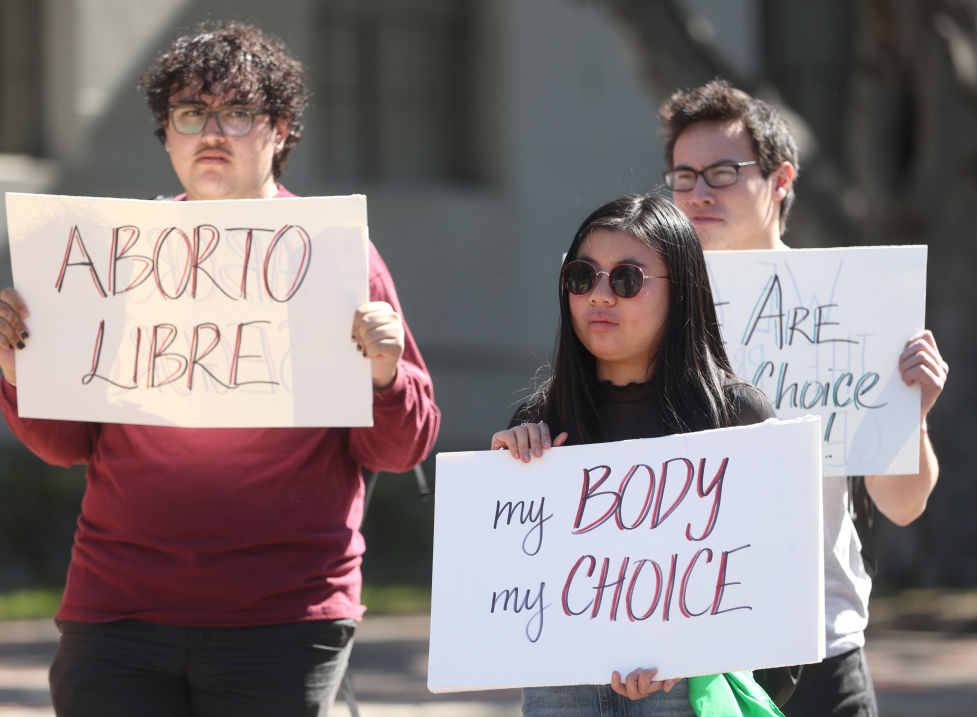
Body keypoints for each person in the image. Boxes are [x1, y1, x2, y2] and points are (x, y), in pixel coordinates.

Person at [0, 21, 440, 717]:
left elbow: (399, 448)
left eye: (237, 112)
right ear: (165, 134)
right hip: (116, 610)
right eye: (189, 113)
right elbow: (64, 445)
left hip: (283, 616)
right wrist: (19, 370)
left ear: (280, 128)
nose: (211, 132)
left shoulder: (337, 255)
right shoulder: (114, 258)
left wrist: (386, 375)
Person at [658, 78, 949, 717]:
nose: (699, 193)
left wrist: (914, 415)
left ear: (781, 179)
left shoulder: (850, 307)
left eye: (722, 173)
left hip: (819, 647)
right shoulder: (646, 309)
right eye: (683, 176)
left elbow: (901, 506)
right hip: (683, 650)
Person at [491, 194, 783, 717]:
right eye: (582, 276)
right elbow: (511, 591)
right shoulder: (538, 423)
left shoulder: (738, 417)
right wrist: (503, 476)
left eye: (627, 279)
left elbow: (773, 589)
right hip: (562, 685)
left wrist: (697, 653)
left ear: (683, 290)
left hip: (692, 694)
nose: (600, 296)